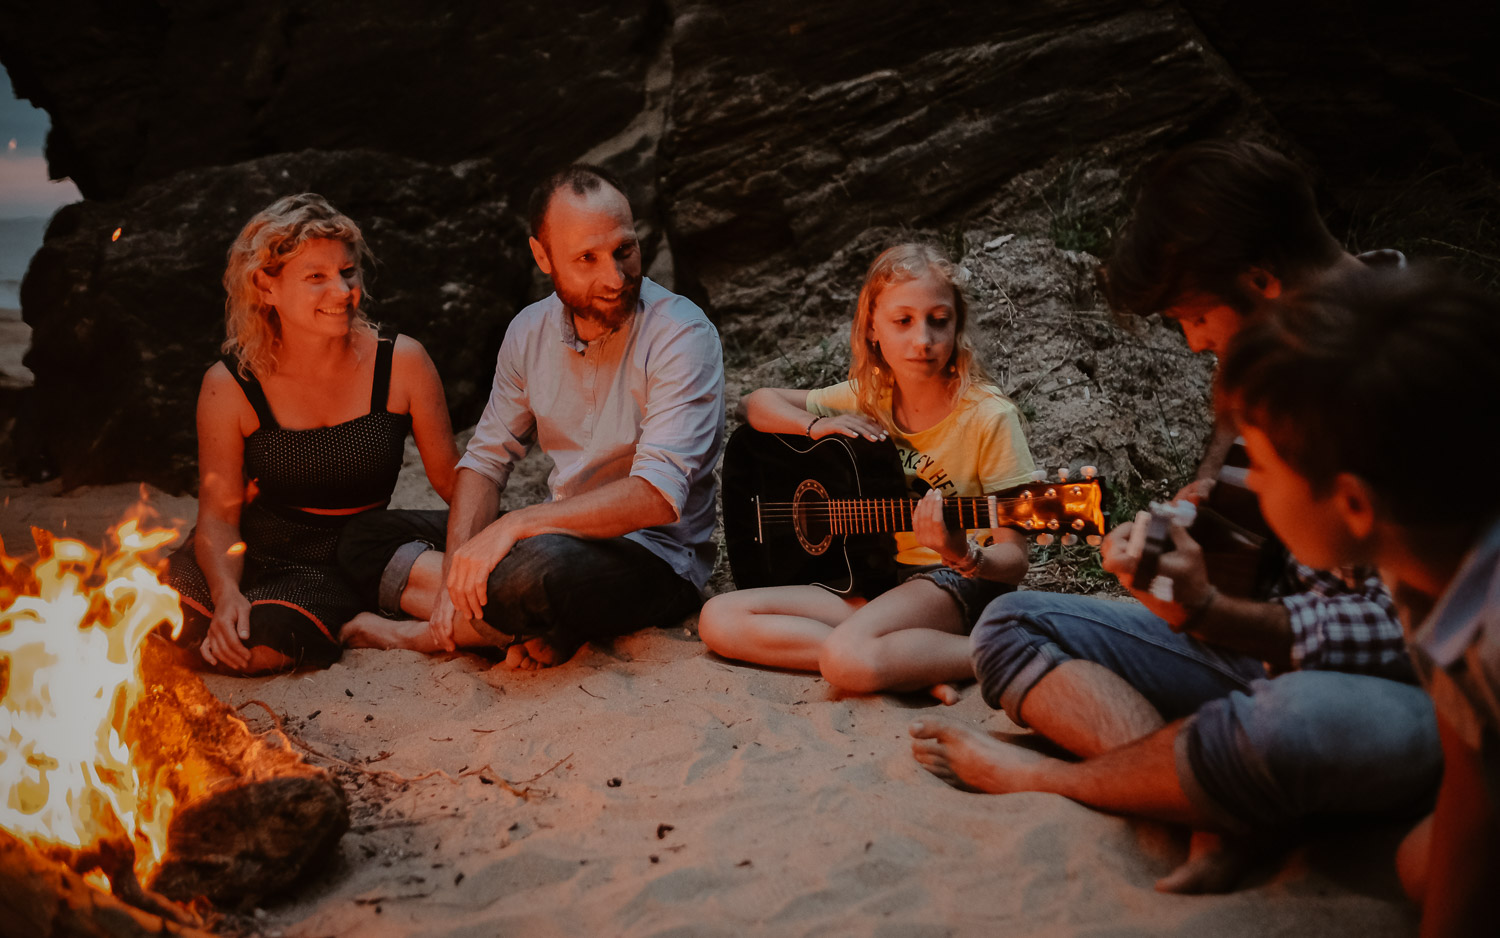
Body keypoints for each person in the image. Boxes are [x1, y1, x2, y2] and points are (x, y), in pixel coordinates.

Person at [911, 140, 1438, 893]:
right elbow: (1231, 498)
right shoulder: (1268, 335)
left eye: (1194, 317)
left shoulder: (1423, 362)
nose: (1194, 343)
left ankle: (1068, 780)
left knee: (1288, 722)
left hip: (1385, 690)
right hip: (1249, 634)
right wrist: (1187, 519)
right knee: (1008, 626)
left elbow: (1419, 636)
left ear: (1263, 281)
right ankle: (1205, 796)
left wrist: (1215, 614)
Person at [335, 165, 723, 668]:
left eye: (624, 250)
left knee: (532, 573)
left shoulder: (681, 335)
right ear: (542, 256)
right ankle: (514, 621)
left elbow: (655, 498)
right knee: (363, 540)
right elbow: (484, 462)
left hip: (653, 560)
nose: (614, 276)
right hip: (557, 535)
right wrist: (459, 568)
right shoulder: (528, 332)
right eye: (587, 258)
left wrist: (516, 526)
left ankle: (429, 634)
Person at [1215, 265, 1500, 936]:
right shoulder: (1421, 559)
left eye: (1258, 462)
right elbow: (1472, 763)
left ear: (1353, 503)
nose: (1251, 484)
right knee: (1422, 867)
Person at [697, 243, 1035, 703]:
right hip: (868, 584)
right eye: (903, 321)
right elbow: (753, 404)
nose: (924, 339)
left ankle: (976, 652)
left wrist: (963, 554)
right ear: (872, 328)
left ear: (957, 326)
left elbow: (1015, 560)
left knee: (847, 658)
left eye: (940, 319)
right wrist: (815, 425)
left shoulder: (988, 417)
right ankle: (909, 660)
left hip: (949, 581)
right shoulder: (866, 396)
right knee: (718, 618)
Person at [163, 193, 459, 673]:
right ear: (266, 286)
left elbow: (451, 480)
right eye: (316, 277)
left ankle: (354, 628)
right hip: (247, 547)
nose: (343, 291)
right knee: (155, 626)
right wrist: (227, 596)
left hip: (337, 561)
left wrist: (502, 537)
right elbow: (218, 518)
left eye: (348, 272)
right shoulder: (231, 384)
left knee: (261, 644)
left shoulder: (401, 363)